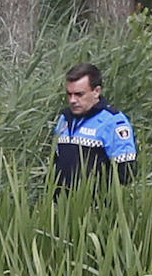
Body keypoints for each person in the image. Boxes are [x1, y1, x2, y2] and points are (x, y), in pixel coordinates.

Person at [52, 62, 137, 191]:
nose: (72, 100)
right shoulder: (64, 119)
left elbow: (126, 172)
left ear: (96, 91)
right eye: (69, 94)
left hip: (95, 206)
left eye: (79, 94)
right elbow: (56, 164)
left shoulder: (113, 122)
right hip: (61, 205)